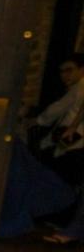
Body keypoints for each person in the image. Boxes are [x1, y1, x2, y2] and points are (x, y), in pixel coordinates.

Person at [30, 52, 84, 183]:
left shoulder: (79, 88)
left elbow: (57, 109)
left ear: (81, 69)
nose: (65, 75)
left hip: (72, 142)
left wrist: (38, 120)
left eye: (69, 70)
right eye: (62, 71)